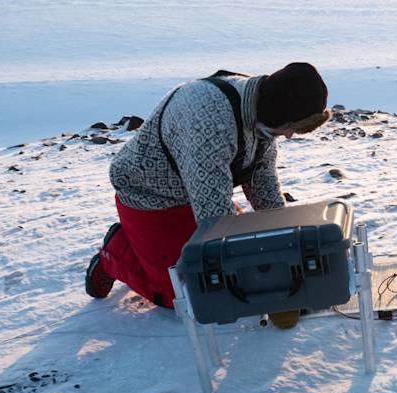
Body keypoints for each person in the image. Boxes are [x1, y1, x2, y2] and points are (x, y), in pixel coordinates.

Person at [85, 63, 331, 327]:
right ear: (277, 110)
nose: (290, 136)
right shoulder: (209, 119)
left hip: (199, 192)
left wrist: (287, 243)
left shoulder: (261, 109)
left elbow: (263, 181)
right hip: (150, 198)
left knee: (237, 256)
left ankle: (146, 246)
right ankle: (115, 252)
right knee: (184, 292)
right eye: (289, 127)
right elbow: (213, 219)